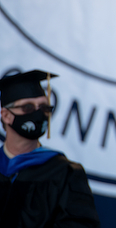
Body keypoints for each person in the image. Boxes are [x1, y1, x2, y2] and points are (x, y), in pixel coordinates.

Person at [0, 69, 101, 227]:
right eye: (28, 107)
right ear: (6, 115)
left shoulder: (64, 173)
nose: (38, 113)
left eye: (44, 107)